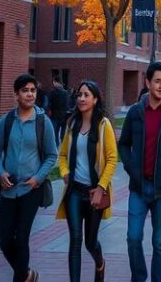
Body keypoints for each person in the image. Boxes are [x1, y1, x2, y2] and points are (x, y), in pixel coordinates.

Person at [119, 62, 161, 282]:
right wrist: (131, 169)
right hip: (138, 187)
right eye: (157, 81)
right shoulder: (135, 112)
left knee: (159, 243)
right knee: (133, 238)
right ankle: (139, 277)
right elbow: (124, 144)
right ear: (147, 82)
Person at [0, 73, 58, 282]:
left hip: (31, 190)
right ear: (16, 95)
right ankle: (27, 274)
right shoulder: (7, 121)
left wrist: (38, 177)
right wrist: (0, 172)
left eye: (32, 90)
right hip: (9, 189)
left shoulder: (42, 122)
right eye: (25, 91)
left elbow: (51, 155)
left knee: (21, 240)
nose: (30, 94)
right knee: (4, 242)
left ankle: (20, 278)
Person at [56, 80, 117, 282]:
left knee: (90, 242)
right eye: (80, 95)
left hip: (94, 194)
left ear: (95, 99)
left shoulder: (103, 125)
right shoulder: (72, 123)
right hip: (74, 190)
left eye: (86, 95)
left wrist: (101, 187)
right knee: (75, 240)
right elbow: (63, 154)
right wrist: (64, 173)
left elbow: (112, 159)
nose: (81, 98)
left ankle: (100, 263)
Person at [50, 77, 70, 147]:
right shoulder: (65, 92)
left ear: (55, 82)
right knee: (63, 132)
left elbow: (49, 104)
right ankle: (63, 146)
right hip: (63, 115)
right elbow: (67, 104)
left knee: (55, 132)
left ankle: (56, 146)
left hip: (55, 115)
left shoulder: (52, 92)